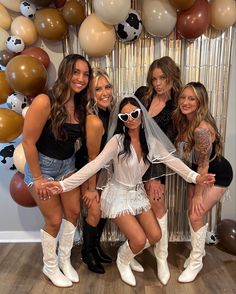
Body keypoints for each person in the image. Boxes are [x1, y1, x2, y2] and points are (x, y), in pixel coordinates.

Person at [42, 96, 215, 287]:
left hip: (137, 193)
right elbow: (94, 165)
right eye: (125, 116)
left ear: (141, 114)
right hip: (117, 194)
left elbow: (174, 163)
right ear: (121, 120)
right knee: (139, 239)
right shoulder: (117, 141)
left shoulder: (151, 142)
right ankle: (123, 261)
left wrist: (196, 178)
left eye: (134, 113)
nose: (130, 118)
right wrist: (64, 186)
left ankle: (128, 252)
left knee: (155, 236)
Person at [22, 54, 93, 288]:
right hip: (42, 167)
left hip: (67, 165)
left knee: (73, 214)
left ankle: (64, 260)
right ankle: (49, 266)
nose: (81, 78)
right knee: (53, 220)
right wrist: (39, 179)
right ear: (65, 72)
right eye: (76, 72)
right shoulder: (45, 100)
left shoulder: (81, 104)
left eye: (85, 74)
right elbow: (28, 142)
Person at [172, 82, 233, 283]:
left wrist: (198, 194)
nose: (185, 102)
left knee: (195, 213)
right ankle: (199, 253)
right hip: (196, 172)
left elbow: (204, 165)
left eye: (192, 99)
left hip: (214, 174)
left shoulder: (201, 129)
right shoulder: (183, 121)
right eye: (183, 97)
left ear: (200, 102)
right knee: (194, 215)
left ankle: (197, 260)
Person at [135, 56, 182, 285]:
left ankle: (161, 257)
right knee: (133, 203)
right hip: (132, 158)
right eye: (154, 79)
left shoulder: (175, 108)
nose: (158, 84)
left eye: (163, 77)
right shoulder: (142, 94)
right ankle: (132, 252)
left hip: (155, 162)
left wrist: (155, 176)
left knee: (157, 204)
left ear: (172, 76)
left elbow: (166, 146)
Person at [75, 68, 114, 274]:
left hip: (102, 169)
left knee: (104, 209)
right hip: (87, 169)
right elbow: (91, 159)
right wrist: (91, 189)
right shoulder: (93, 119)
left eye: (107, 87)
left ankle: (96, 246)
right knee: (95, 210)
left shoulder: (108, 112)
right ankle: (87, 252)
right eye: (97, 89)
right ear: (90, 94)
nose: (104, 93)